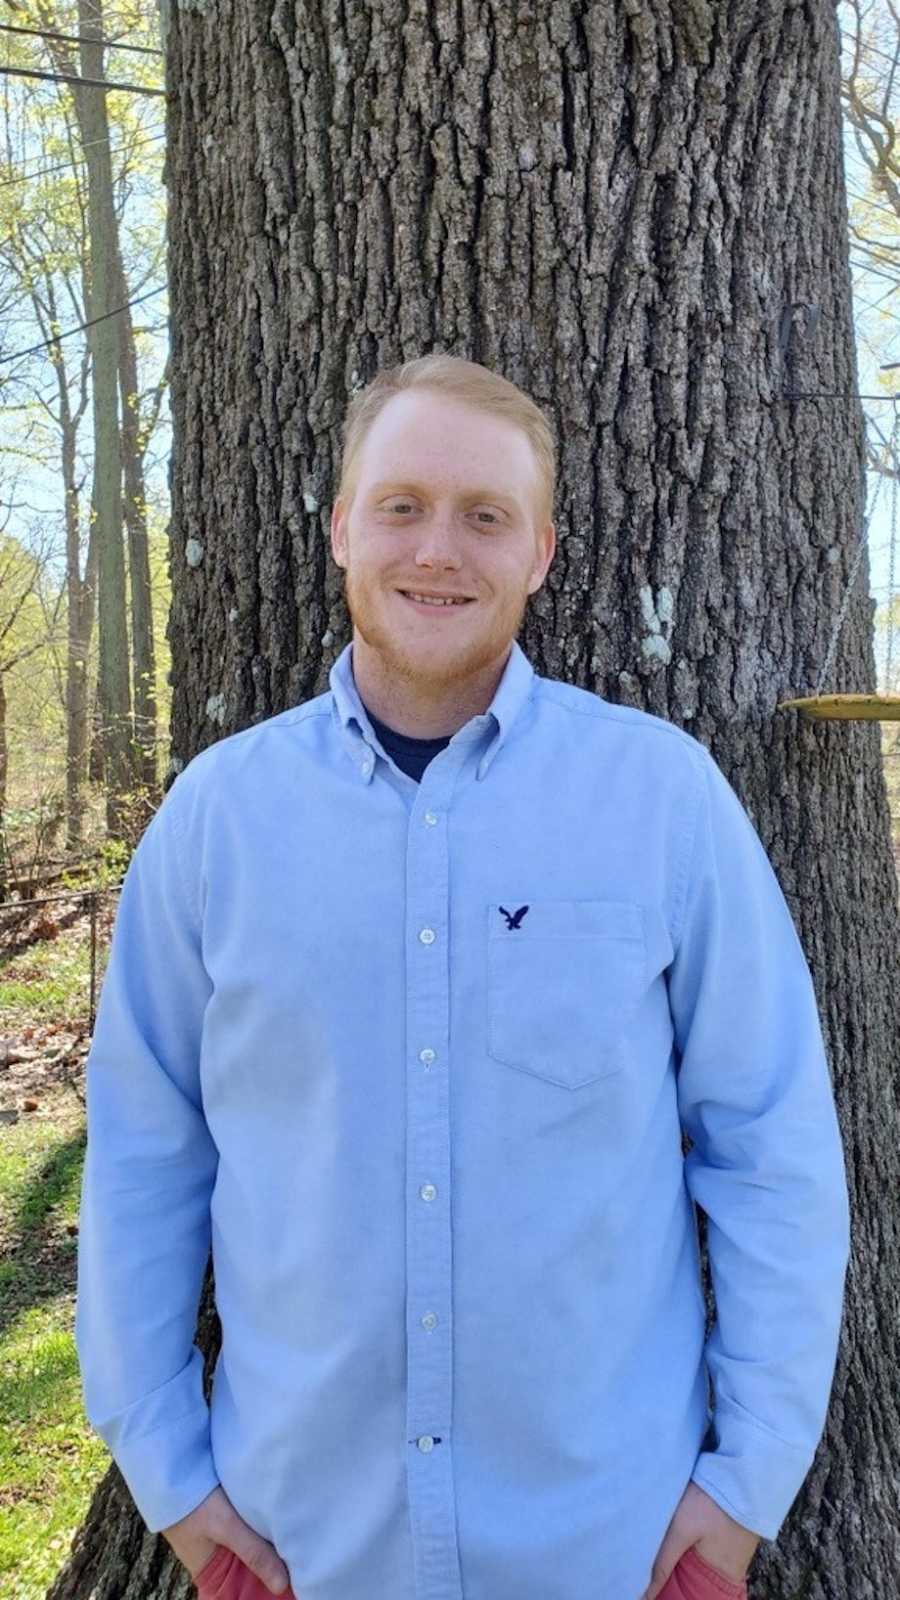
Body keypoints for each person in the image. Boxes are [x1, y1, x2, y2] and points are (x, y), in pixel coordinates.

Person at [75, 354, 851, 1600]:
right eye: (401, 505)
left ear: (540, 551)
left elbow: (770, 1148)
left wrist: (746, 1483)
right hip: (298, 1545)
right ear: (341, 528)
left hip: (611, 1544)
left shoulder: (661, 802)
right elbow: (143, 1161)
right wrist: (170, 1477)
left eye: (485, 515)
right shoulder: (219, 822)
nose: (439, 548)